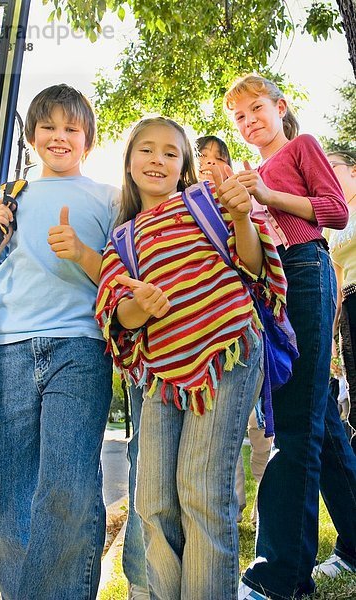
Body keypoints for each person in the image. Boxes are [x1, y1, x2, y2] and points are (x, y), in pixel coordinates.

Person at [96, 116, 289, 599]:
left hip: (226, 351)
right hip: (162, 373)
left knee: (201, 491)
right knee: (153, 499)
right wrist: (140, 305)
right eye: (146, 149)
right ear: (128, 160)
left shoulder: (204, 203)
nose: (157, 159)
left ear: (183, 164)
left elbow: (252, 263)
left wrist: (243, 216)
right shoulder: (122, 238)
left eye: (169, 152)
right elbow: (118, 312)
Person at [0, 84, 119, 600]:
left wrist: (80, 252)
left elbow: (124, 273)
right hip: (6, 347)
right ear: (32, 136)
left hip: (80, 347)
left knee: (68, 486)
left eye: (70, 128)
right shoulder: (9, 195)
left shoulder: (108, 197)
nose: (59, 137)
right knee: (13, 491)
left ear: (88, 139)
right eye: (48, 127)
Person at [224, 74, 356, 600]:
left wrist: (268, 193)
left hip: (304, 268)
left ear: (280, 108)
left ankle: (277, 577)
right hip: (270, 283)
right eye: (238, 117)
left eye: (257, 108)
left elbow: (335, 211)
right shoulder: (249, 172)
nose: (249, 120)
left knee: (296, 423)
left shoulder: (301, 148)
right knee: (319, 416)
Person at [195, 134, 273, 525]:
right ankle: (232, 510)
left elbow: (259, 257)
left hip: (244, 326)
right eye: (202, 156)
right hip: (201, 336)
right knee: (221, 433)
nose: (209, 162)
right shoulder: (181, 205)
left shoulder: (243, 199)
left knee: (259, 425)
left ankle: (266, 510)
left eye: (217, 157)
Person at [325, 150, 356, 451]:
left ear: (353, 171)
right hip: (349, 308)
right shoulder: (332, 224)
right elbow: (334, 282)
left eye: (332, 166)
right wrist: (332, 335)